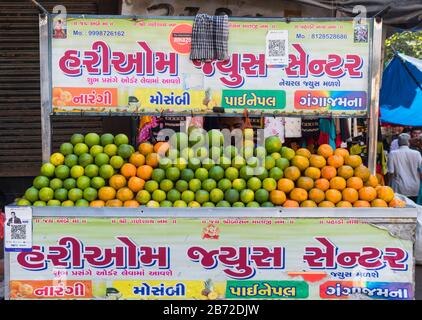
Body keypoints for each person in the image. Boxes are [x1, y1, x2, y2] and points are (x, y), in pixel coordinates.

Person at [387, 133, 422, 202]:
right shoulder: (417, 153)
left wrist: (388, 184)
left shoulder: (393, 154)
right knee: (414, 209)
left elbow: (391, 172)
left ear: (398, 142)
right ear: (409, 142)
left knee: (401, 210)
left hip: (399, 188)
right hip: (414, 188)